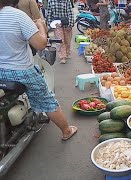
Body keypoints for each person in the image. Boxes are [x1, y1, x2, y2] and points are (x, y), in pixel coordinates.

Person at [0, 0, 77, 140]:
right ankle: (66, 131)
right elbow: (41, 44)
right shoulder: (18, 16)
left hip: (1, 72)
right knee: (47, 100)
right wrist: (41, 26)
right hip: (21, 71)